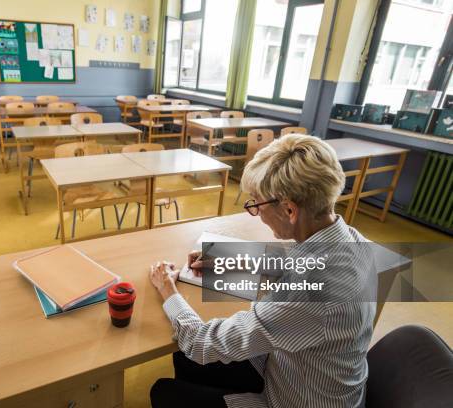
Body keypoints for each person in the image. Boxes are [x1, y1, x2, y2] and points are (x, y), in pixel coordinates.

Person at [149, 134, 376, 408]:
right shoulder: (353, 239)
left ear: (289, 210)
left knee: (164, 390)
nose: (255, 212)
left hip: (296, 399)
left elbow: (202, 342)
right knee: (184, 360)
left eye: (256, 204)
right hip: (305, 375)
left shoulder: (306, 294)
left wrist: (168, 290)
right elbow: (302, 261)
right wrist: (226, 260)